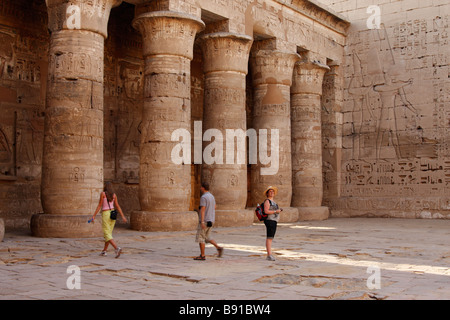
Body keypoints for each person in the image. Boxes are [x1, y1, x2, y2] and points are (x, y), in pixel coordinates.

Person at [91, 181, 127, 258]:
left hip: (106, 214)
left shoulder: (103, 194)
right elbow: (117, 206)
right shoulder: (114, 195)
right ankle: (104, 251)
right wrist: (122, 216)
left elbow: (99, 205)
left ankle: (116, 248)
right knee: (109, 233)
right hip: (113, 214)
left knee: (106, 233)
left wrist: (94, 215)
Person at [194, 182, 223, 260]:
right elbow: (215, 207)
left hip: (205, 220)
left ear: (203, 188)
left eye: (201, 187)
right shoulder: (211, 196)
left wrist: (202, 221)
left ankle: (202, 255)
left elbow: (203, 209)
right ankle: (218, 247)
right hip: (211, 220)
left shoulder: (204, 197)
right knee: (207, 237)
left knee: (201, 238)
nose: (200, 188)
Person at [263, 186, 282, 261]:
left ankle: (269, 254)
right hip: (270, 220)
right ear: (267, 193)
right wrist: (276, 211)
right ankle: (269, 254)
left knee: (271, 237)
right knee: (269, 237)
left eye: (273, 191)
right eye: (270, 191)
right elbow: (266, 211)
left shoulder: (273, 202)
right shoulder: (267, 201)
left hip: (274, 220)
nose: (272, 192)